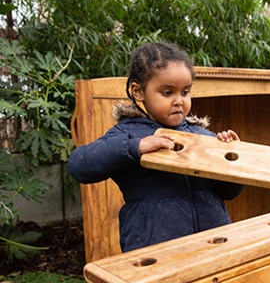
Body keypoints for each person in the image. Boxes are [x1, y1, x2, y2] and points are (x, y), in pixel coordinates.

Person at [68, 42, 244, 253]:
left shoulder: (203, 136)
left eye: (185, 92)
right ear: (138, 91)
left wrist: (231, 158)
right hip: (154, 251)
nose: (179, 101)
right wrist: (135, 147)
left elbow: (229, 193)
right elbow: (79, 166)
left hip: (212, 246)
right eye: (167, 93)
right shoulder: (127, 135)